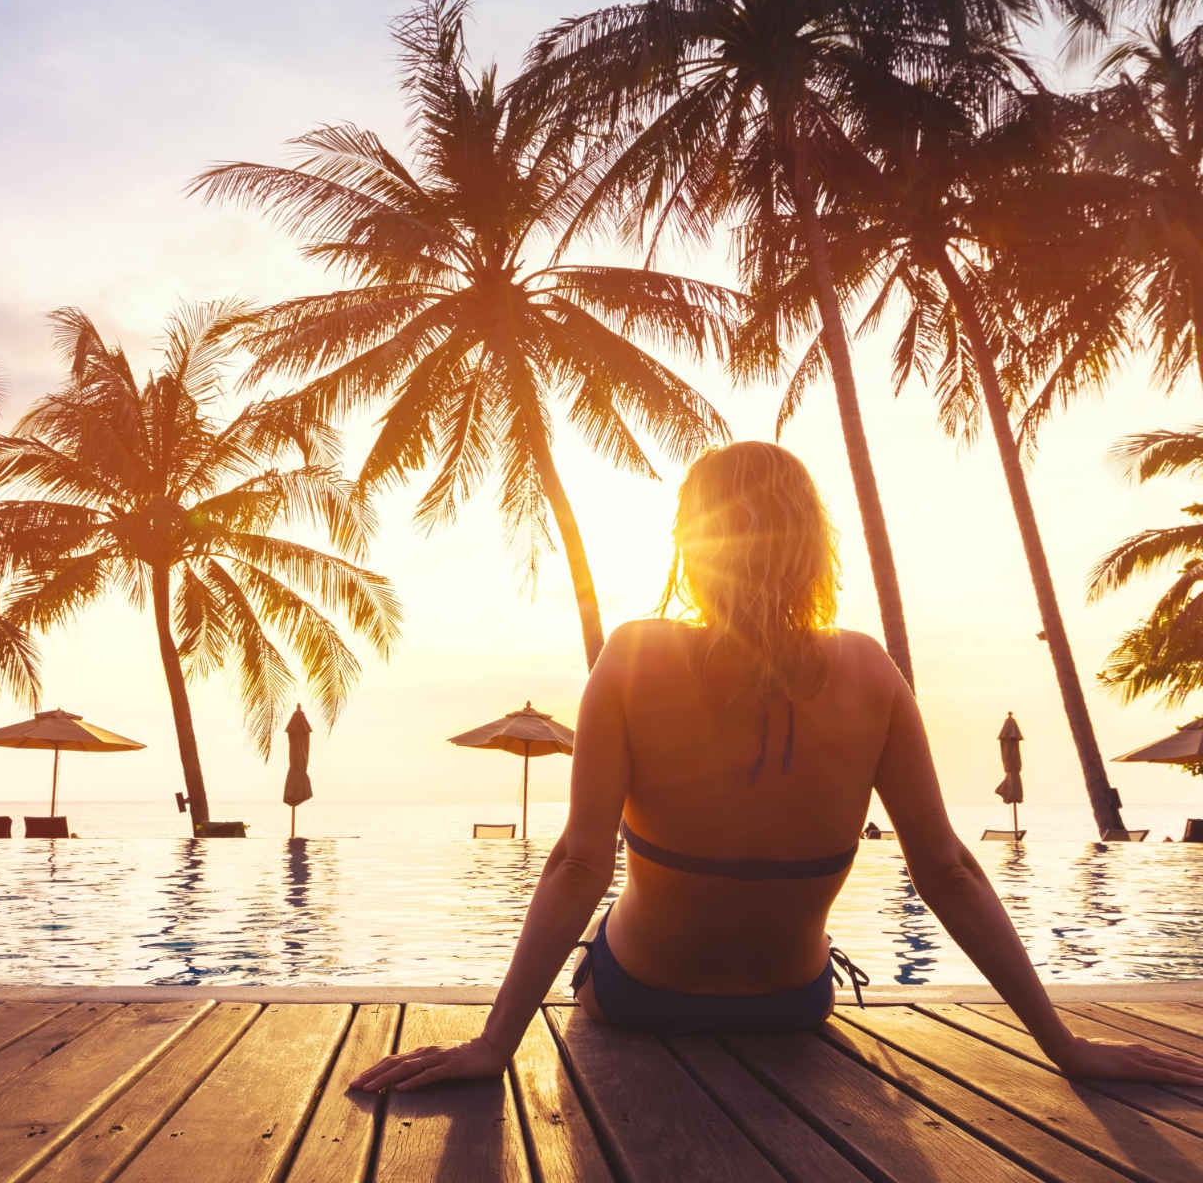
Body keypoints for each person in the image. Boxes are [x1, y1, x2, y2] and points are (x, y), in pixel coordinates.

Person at [355, 442, 1203, 1093]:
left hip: (638, 996)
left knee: (618, 903)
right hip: (790, 1008)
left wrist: (492, 1046)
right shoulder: (871, 669)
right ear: (813, 546)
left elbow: (580, 863)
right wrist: (1069, 1048)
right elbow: (945, 868)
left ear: (693, 543)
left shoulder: (635, 653)